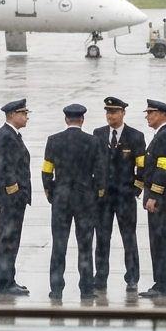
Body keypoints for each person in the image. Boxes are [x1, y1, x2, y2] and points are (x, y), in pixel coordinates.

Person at [41, 104, 106, 299]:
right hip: (85, 199)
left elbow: (46, 171)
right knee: (85, 245)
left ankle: (56, 288)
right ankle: (86, 289)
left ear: (66, 120)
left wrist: (52, 193)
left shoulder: (53, 141)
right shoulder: (93, 142)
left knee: (59, 245)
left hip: (61, 199)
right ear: (82, 120)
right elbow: (101, 172)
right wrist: (96, 194)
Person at [91, 96, 147, 292]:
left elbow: (142, 166)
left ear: (123, 113)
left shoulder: (135, 136)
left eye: (113, 112)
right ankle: (101, 276)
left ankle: (132, 277)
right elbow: (94, 163)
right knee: (102, 238)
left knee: (129, 238)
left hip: (125, 196)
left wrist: (136, 189)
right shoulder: (97, 134)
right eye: (107, 112)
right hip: (103, 198)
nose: (110, 116)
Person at [140, 99, 166, 299]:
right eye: (147, 113)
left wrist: (154, 195)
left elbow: (163, 169)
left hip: (162, 199)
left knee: (160, 241)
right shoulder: (164, 135)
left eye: (151, 113)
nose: (148, 116)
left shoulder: (165, 137)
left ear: (163, 115)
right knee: (165, 239)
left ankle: (162, 284)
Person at [0, 99, 32, 296]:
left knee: (11, 240)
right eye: (22, 114)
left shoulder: (12, 135)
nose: (26, 117)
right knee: (8, 240)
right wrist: (14, 192)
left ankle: (8, 279)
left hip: (14, 197)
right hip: (11, 199)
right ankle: (5, 282)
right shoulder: (5, 136)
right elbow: (4, 169)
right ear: (11, 116)